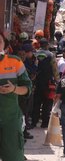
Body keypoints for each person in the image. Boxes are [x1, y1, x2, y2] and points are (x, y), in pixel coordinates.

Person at [0, 31, 32, 161]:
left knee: (13, 157)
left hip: (10, 120)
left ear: (4, 45)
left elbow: (27, 88)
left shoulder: (15, 62)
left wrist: (14, 89)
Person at [31, 38, 59, 128]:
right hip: (48, 83)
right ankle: (44, 123)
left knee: (36, 102)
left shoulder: (35, 54)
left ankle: (34, 122)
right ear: (47, 45)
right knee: (47, 103)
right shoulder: (51, 55)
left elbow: (34, 67)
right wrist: (57, 80)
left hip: (37, 82)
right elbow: (55, 69)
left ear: (40, 45)